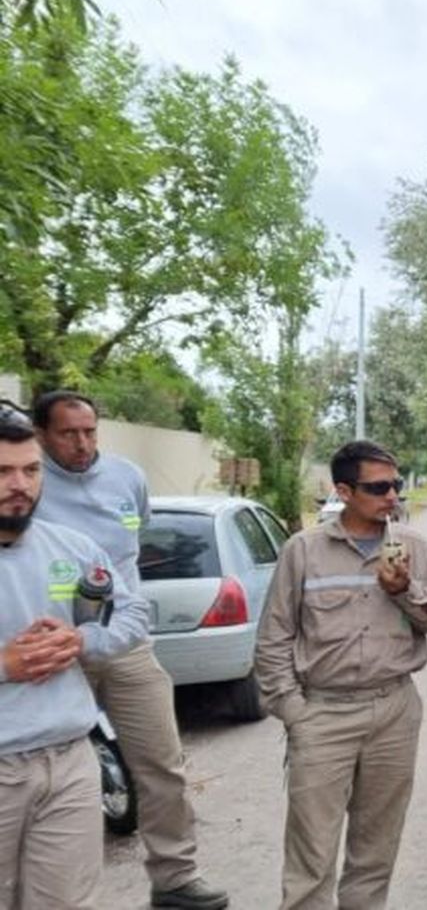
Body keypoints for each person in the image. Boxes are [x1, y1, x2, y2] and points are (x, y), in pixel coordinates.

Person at [30, 390, 229, 910]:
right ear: (42, 435)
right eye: (68, 433)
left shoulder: (127, 478)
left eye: (90, 431)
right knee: (38, 773)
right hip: (49, 650)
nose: (82, 443)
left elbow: (130, 557)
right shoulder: (27, 482)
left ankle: (176, 878)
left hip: (125, 642)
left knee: (163, 763)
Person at [255, 440, 427, 910]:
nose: (392, 496)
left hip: (394, 711)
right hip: (323, 713)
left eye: (396, 485)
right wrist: (294, 712)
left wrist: (406, 589)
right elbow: (273, 639)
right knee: (311, 852)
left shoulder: (413, 548)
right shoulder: (303, 552)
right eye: (378, 487)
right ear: (343, 490)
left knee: (375, 848)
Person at [1, 400, 149, 909]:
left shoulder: (72, 547)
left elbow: (132, 614)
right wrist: (6, 665)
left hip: (69, 759)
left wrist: (82, 640)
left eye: (29, 470)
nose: (19, 484)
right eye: (2, 471)